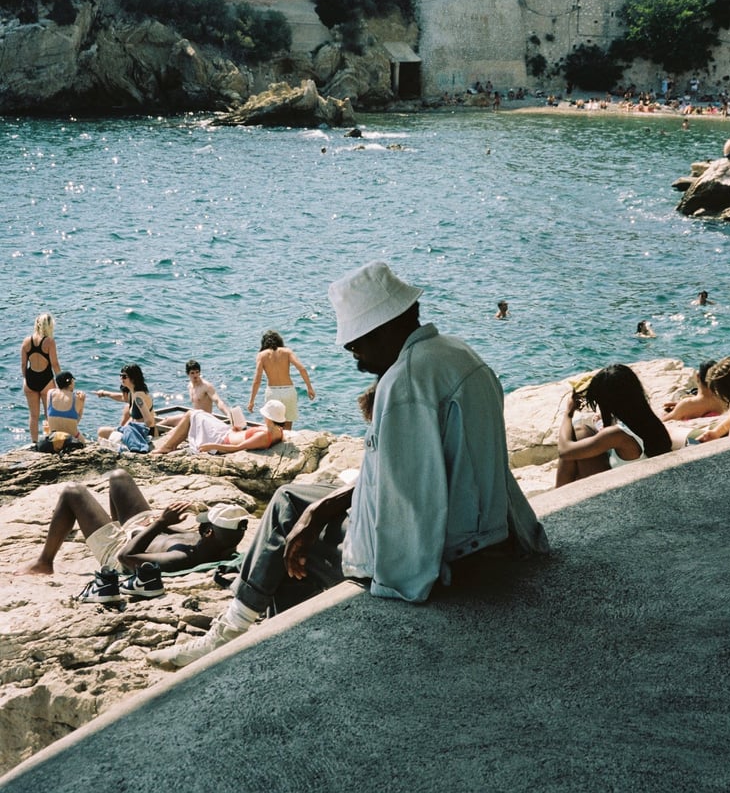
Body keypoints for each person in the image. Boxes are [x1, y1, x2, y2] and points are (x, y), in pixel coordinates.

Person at [147, 261, 550, 669]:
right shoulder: (457, 352)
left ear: (383, 329)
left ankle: (240, 632)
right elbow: (421, 473)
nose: (356, 361)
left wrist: (378, 574)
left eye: (356, 347)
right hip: (486, 526)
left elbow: (406, 510)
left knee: (288, 532)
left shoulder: (405, 383)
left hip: (449, 552)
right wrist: (323, 507)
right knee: (293, 501)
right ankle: (252, 623)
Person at [16, 469, 249, 602]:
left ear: (208, 531)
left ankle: (44, 562)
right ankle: (112, 524)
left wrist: (160, 523)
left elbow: (126, 557)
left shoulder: (182, 558)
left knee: (73, 492)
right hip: (143, 530)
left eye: (204, 523)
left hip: (119, 548)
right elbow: (178, 536)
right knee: (119, 476)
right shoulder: (216, 543)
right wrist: (163, 522)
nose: (200, 524)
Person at [556, 364, 672, 486]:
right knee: (582, 432)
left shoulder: (617, 435)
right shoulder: (647, 421)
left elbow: (564, 451)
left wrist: (568, 413)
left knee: (579, 434)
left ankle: (559, 495)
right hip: (642, 484)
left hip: (621, 493)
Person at [152, 400, 286, 454]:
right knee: (200, 414)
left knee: (192, 414)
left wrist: (212, 446)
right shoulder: (279, 431)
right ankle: (170, 444)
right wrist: (239, 430)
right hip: (227, 433)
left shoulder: (264, 435)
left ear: (268, 417)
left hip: (221, 439)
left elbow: (238, 448)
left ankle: (168, 447)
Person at [247, 330, 316, 430]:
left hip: (273, 393)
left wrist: (252, 401)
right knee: (287, 427)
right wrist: (309, 388)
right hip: (288, 391)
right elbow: (302, 369)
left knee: (273, 426)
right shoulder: (287, 352)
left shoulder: (261, 355)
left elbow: (257, 380)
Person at [21, 312, 61, 443]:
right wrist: (61, 382)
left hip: (30, 380)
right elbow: (55, 364)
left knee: (33, 416)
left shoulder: (26, 341)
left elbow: (23, 364)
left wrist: (26, 379)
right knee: (49, 414)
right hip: (46, 380)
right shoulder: (49, 342)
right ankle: (49, 442)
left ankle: (34, 443)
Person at [160, 359, 230, 429]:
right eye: (192, 373)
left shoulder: (206, 386)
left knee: (172, 425)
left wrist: (229, 415)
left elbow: (218, 401)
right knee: (167, 420)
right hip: (195, 418)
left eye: (197, 372)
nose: (195, 375)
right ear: (187, 374)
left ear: (200, 372)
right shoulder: (190, 385)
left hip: (204, 420)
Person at [97, 364, 156, 440]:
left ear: (133, 378)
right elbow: (121, 397)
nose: (121, 378)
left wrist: (131, 431)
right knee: (103, 434)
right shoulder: (132, 393)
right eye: (120, 376)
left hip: (143, 433)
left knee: (101, 431)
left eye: (124, 376)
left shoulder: (138, 397)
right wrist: (104, 393)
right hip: (134, 430)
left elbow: (149, 421)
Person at [661, 360, 727, 423]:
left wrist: (679, 407)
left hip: (687, 405)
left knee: (679, 394)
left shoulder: (687, 404)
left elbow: (664, 421)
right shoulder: (723, 401)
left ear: (698, 376)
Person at [46, 371, 87, 443]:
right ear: (71, 383)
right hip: (72, 439)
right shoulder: (78, 398)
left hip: (53, 438)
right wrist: (83, 399)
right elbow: (77, 420)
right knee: (83, 440)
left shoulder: (50, 393)